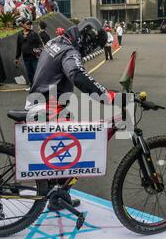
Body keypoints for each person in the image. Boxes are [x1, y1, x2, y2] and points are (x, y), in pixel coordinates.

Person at [27, 18, 113, 210]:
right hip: (46, 108)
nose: (89, 52)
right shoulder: (69, 51)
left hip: (39, 102)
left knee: (63, 153)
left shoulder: (56, 41)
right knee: (75, 150)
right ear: (86, 39)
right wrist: (107, 96)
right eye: (91, 47)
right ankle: (59, 195)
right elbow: (77, 75)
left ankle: (57, 194)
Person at [15, 18, 43, 87]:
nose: (29, 25)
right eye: (27, 24)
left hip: (34, 57)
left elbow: (40, 44)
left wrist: (38, 50)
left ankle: (38, 86)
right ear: (23, 24)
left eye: (30, 24)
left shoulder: (34, 34)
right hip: (26, 58)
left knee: (36, 72)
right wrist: (17, 58)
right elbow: (18, 47)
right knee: (29, 73)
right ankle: (32, 86)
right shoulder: (20, 35)